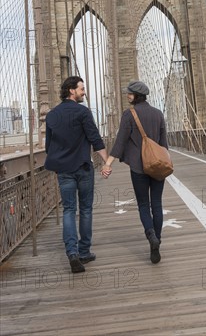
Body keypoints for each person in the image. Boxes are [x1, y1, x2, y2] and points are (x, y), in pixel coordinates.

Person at [45, 76, 108, 273]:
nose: (84, 92)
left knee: (69, 210)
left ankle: (71, 253)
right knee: (86, 209)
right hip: (83, 168)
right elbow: (95, 139)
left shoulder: (52, 115)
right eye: (82, 89)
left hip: (63, 170)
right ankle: (84, 252)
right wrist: (107, 162)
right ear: (71, 90)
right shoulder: (83, 111)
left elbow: (49, 146)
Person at [101, 80, 168, 264]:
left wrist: (108, 164)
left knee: (143, 205)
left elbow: (120, 142)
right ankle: (158, 241)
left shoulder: (129, 114)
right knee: (157, 204)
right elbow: (164, 145)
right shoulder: (158, 114)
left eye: (129, 93)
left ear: (136, 95)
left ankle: (150, 235)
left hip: (138, 168)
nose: (127, 96)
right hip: (158, 166)